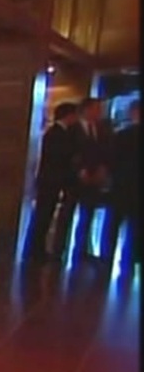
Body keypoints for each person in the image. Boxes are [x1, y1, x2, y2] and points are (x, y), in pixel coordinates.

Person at [23, 102, 79, 263]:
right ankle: (34, 250)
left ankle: (38, 249)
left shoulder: (62, 133)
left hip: (53, 181)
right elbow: (57, 157)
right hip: (50, 181)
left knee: (45, 216)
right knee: (42, 216)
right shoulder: (55, 133)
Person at [63, 97, 112, 262]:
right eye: (96, 109)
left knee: (88, 215)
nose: (99, 112)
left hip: (94, 178)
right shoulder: (72, 130)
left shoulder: (101, 130)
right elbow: (68, 153)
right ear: (86, 109)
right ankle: (59, 250)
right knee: (67, 214)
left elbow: (105, 152)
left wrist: (102, 169)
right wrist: (80, 170)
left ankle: (82, 248)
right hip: (74, 180)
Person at [103, 98, 140, 268]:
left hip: (121, 185)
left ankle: (107, 256)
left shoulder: (122, 135)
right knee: (135, 226)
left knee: (113, 223)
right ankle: (130, 258)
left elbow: (112, 160)